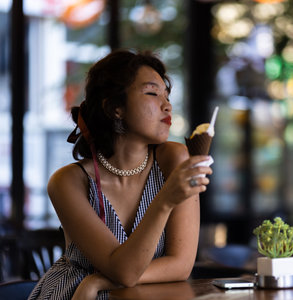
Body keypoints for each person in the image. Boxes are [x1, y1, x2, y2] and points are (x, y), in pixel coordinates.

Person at [28, 49, 212, 300]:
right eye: (151, 93)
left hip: (116, 291)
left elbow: (180, 265)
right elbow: (124, 272)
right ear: (115, 108)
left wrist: (99, 280)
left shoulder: (174, 159)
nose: (166, 105)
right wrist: (165, 199)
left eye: (167, 95)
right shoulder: (67, 182)